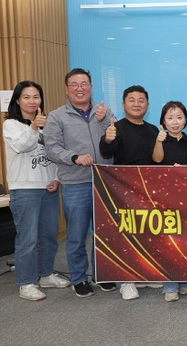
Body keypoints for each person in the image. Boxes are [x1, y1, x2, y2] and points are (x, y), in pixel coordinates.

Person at [44, 68, 115, 298]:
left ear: (91, 87)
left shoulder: (104, 111)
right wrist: (74, 157)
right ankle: (78, 278)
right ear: (67, 89)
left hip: (103, 182)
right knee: (76, 234)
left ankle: (101, 274)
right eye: (74, 84)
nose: (79, 88)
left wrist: (104, 122)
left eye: (84, 84)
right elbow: (52, 148)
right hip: (75, 183)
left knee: (103, 233)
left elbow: (112, 141)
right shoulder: (57, 116)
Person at [3, 81, 69, 301]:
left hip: (48, 188)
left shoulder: (46, 124)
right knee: (28, 238)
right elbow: (22, 146)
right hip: (24, 189)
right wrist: (33, 127)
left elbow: (56, 153)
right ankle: (26, 282)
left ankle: (46, 274)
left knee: (49, 236)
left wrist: (57, 179)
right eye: (27, 97)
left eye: (36, 97)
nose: (32, 101)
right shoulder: (11, 124)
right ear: (17, 100)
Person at [99, 85, 160, 300]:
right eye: (131, 100)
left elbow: (158, 159)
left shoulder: (153, 130)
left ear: (147, 105)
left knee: (147, 234)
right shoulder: (117, 128)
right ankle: (126, 281)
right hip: (123, 190)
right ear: (123, 104)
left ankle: (145, 274)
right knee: (126, 235)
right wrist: (107, 139)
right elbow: (106, 152)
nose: (136, 104)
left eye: (141, 100)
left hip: (148, 190)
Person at [152, 101, 187, 302]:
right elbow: (157, 160)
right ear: (163, 121)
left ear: (185, 119)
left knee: (186, 241)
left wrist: (184, 172)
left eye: (179, 117)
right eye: (170, 118)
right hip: (165, 199)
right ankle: (170, 285)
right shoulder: (159, 139)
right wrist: (159, 141)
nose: (175, 122)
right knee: (169, 243)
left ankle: (185, 281)